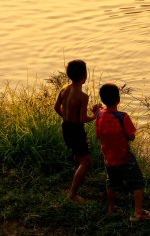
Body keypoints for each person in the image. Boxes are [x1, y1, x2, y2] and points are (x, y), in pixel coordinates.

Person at [96, 83, 150, 221]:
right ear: (118, 99)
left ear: (102, 99)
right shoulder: (122, 117)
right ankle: (138, 212)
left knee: (111, 182)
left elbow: (98, 136)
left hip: (108, 157)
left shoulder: (99, 116)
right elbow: (131, 136)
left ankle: (111, 208)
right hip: (124, 157)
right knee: (138, 182)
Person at [54, 59, 101, 204]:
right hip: (76, 129)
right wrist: (95, 115)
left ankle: (78, 178)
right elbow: (82, 119)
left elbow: (56, 108)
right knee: (86, 161)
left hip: (66, 126)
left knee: (77, 154)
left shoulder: (64, 89)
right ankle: (72, 194)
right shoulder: (82, 96)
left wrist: (67, 118)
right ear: (84, 76)